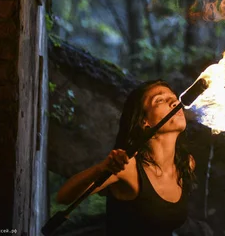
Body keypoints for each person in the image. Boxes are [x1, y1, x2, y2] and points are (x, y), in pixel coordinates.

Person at [56, 80, 196, 235]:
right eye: (160, 100)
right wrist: (102, 168)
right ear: (144, 122)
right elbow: (64, 196)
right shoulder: (129, 167)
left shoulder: (186, 164)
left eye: (174, 97)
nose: (174, 102)